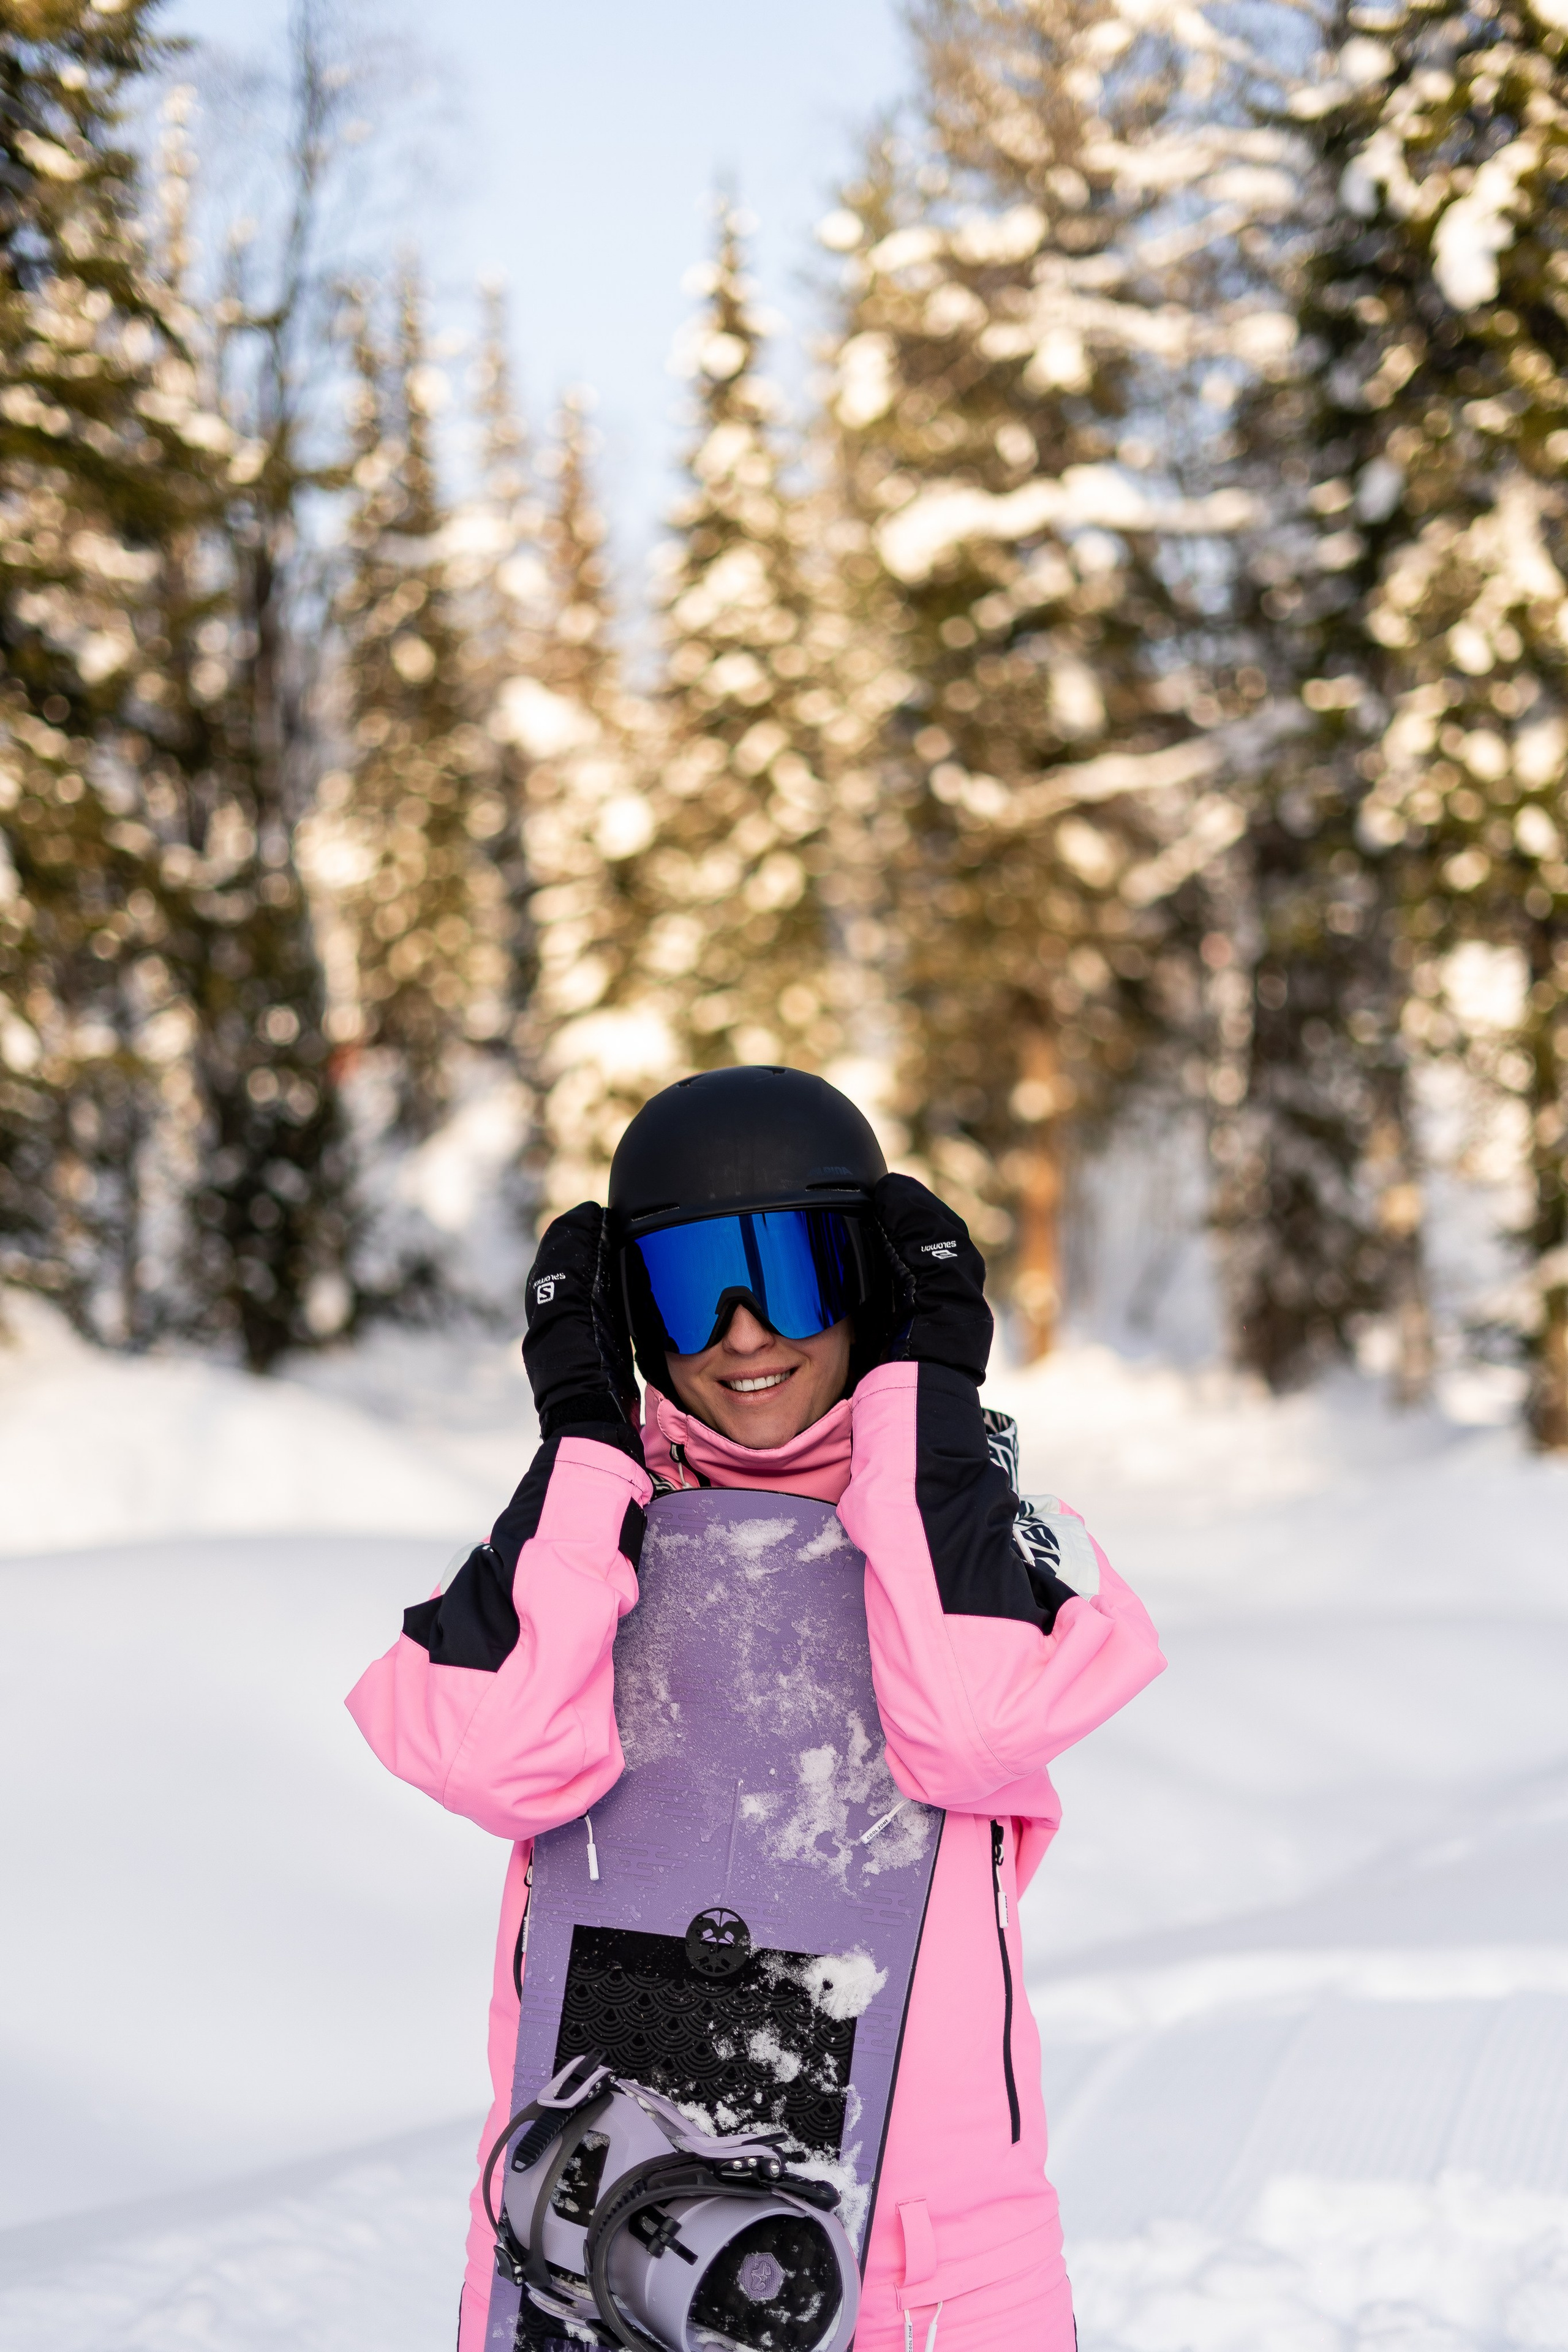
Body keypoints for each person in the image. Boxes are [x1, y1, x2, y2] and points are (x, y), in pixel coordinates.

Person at [347, 1066, 1164, 2352]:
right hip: (599, 2263)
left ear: (869, 1286)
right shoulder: (577, 1544)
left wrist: (927, 1400)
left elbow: (967, 1727)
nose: (739, 1330)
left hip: (943, 2281)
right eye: (686, 1286)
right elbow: (494, 1761)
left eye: (787, 1272)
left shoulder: (1006, 1544)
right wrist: (580, 1443)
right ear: (633, 1315)